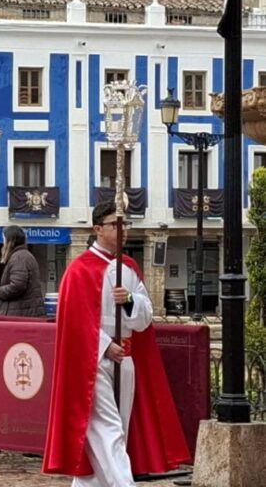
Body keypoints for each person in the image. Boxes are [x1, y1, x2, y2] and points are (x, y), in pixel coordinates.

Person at [43, 201, 190, 486]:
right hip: (94, 361)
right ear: (98, 228)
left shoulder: (130, 268)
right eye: (116, 225)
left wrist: (130, 301)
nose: (123, 231)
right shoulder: (79, 270)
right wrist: (103, 345)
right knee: (106, 429)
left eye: (126, 225)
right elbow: (74, 320)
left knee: (115, 430)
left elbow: (144, 319)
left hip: (127, 359)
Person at [0, 225, 45, 317]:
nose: (3, 243)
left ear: (10, 241)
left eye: (4, 239)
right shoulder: (23, 255)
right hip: (25, 312)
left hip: (19, 314)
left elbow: (18, 286)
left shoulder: (18, 258)